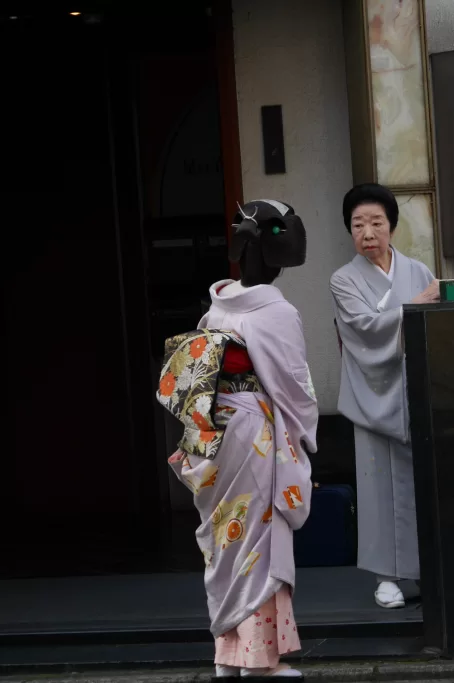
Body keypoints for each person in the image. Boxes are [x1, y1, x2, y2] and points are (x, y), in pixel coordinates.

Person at [163, 199, 318, 679]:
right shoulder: (276, 311)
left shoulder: (220, 304)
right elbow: (293, 386)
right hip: (253, 431)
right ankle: (257, 660)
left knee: (225, 540)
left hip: (214, 429)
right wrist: (306, 431)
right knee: (258, 537)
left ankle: (227, 656)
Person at [330, 183, 440, 609]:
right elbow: (362, 330)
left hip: (416, 390)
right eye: (358, 224)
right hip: (373, 395)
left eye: (376, 222)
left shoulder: (417, 270)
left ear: (392, 226)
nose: (368, 232)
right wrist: (414, 306)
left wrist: (414, 304)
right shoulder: (344, 280)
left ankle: (426, 568)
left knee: (419, 485)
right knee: (378, 488)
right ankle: (386, 577)